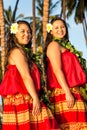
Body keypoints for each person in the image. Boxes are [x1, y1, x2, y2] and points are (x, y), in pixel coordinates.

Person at [0, 20, 60, 130]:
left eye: (29, 32)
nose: (27, 34)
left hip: (28, 98)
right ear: (15, 34)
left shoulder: (25, 53)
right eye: (22, 31)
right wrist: (36, 98)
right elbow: (25, 76)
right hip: (21, 101)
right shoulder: (17, 52)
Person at [43, 17, 87, 130]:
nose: (60, 30)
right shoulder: (53, 45)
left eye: (62, 27)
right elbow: (57, 70)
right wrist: (67, 92)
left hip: (73, 91)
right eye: (56, 28)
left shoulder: (64, 46)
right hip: (64, 92)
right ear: (51, 31)